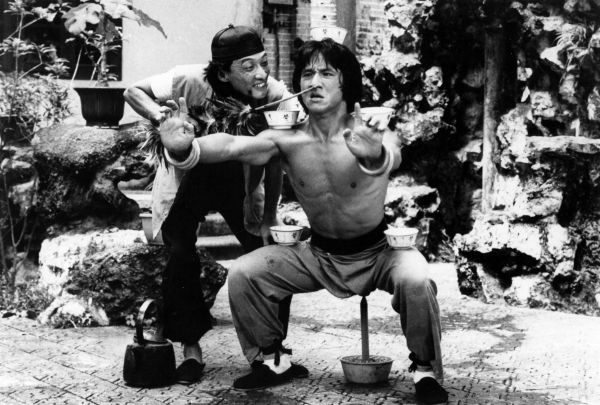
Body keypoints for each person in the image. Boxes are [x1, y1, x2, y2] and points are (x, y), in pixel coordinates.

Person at [159, 38, 449, 404]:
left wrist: (374, 152)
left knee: (417, 277)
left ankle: (424, 370)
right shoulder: (288, 139)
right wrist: (186, 148)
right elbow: (232, 146)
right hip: (319, 254)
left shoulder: (370, 130)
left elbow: (391, 155)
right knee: (245, 272)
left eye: (327, 73)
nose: (315, 81)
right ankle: (273, 359)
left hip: (378, 253)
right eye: (308, 73)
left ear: (346, 83)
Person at [123, 25, 303, 385]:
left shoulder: (276, 96)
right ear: (222, 73)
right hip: (187, 177)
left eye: (264, 63)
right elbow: (133, 91)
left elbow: (277, 158)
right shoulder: (188, 79)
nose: (261, 74)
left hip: (239, 180)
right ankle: (191, 350)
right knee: (180, 255)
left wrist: (269, 216)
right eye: (248, 67)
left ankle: (271, 352)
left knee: (272, 256)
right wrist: (162, 119)